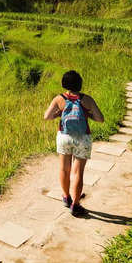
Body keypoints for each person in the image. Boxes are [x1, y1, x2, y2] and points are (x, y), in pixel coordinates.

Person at [43, 70, 104, 217]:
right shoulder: (87, 99)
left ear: (64, 83)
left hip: (64, 136)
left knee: (64, 169)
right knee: (78, 172)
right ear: (80, 83)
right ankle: (75, 205)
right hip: (82, 138)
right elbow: (100, 118)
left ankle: (66, 197)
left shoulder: (59, 99)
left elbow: (47, 116)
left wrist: (59, 113)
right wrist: (88, 114)